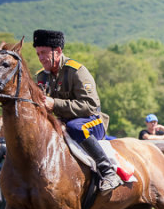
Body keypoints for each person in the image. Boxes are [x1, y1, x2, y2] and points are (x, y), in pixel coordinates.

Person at [34, 29, 122, 191]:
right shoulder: (41, 77)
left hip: (91, 121)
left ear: (58, 51)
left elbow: (89, 106)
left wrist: (55, 104)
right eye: (38, 53)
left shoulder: (76, 71)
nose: (41, 58)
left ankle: (108, 172)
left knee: (75, 126)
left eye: (44, 53)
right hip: (62, 123)